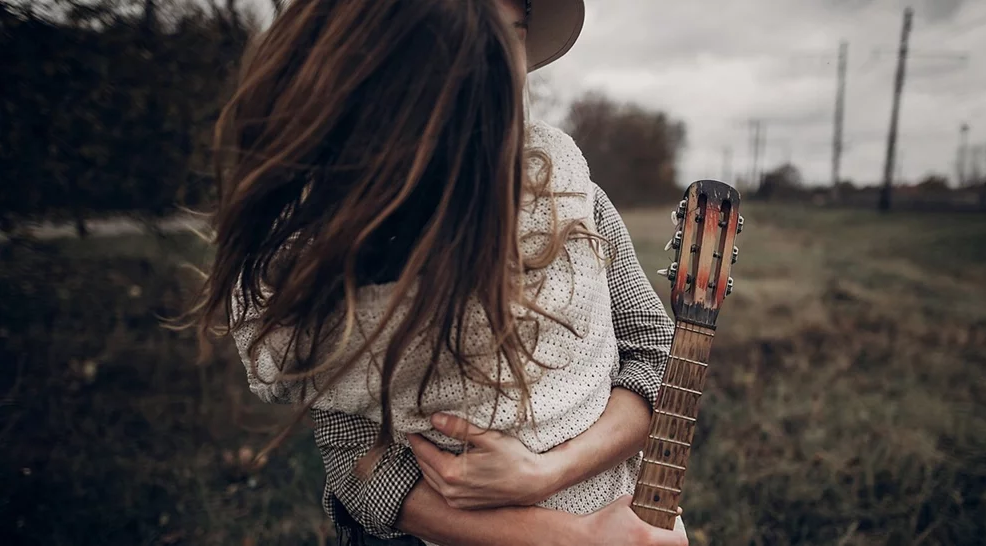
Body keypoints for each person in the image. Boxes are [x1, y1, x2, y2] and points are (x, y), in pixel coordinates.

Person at [193, 0, 687, 544]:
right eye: (474, 40)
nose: (502, 72)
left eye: (513, 35)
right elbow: (350, 450)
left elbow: (654, 352)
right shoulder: (322, 246)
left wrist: (553, 472)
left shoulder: (568, 190)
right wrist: (572, 538)